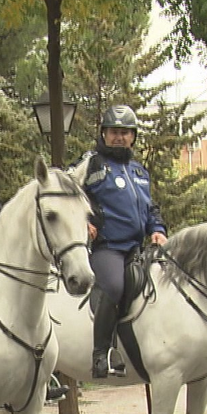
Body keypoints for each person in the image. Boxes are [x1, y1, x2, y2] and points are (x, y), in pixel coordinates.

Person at [72, 104, 168, 378]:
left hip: (138, 248)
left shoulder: (139, 172)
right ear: (103, 134)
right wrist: (84, 222)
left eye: (125, 133)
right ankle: (102, 353)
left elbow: (150, 209)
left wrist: (157, 229)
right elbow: (66, 194)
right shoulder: (90, 163)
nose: (119, 138)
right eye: (114, 132)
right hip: (108, 246)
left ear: (133, 137)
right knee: (114, 286)